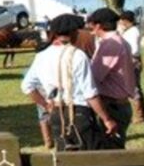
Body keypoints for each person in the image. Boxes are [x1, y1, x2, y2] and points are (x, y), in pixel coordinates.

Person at [21, 14, 118, 151]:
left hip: (56, 113)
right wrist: (107, 119)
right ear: (73, 33)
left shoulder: (41, 56)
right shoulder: (78, 55)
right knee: (94, 157)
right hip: (79, 113)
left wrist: (46, 105)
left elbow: (27, 86)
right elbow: (90, 93)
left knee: (65, 160)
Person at [86, 8, 136, 148]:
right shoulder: (119, 41)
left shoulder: (110, 44)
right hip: (118, 103)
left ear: (98, 25)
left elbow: (95, 76)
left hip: (112, 105)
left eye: (91, 24)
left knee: (110, 152)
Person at [118, 10, 144, 122]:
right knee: (136, 87)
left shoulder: (132, 32)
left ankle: (139, 116)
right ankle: (143, 114)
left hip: (132, 60)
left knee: (133, 88)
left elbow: (134, 49)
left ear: (125, 20)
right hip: (133, 60)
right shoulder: (130, 31)